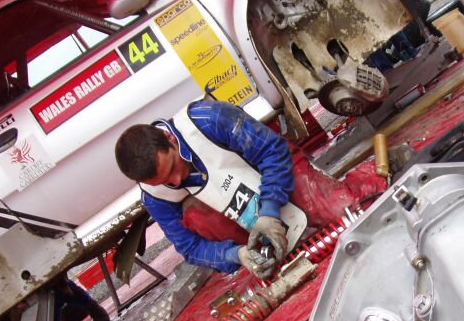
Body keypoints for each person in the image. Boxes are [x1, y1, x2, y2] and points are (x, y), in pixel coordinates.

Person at [115, 99, 386, 279]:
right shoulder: (156, 197)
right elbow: (190, 247)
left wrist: (269, 211)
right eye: (167, 181)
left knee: (341, 210)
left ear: (169, 138)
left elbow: (272, 151)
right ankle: (262, 242)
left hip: (273, 176)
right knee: (195, 215)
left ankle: (374, 171)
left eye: (174, 165)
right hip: (239, 220)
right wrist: (237, 255)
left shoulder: (206, 120)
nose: (178, 178)